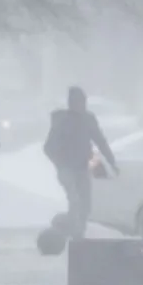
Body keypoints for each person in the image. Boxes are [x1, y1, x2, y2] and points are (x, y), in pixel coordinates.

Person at [43, 85, 118, 237]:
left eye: (83, 102)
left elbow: (100, 141)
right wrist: (59, 163)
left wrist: (111, 162)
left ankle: (73, 227)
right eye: (78, 102)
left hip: (82, 167)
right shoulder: (62, 120)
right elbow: (48, 147)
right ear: (71, 103)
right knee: (75, 200)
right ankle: (76, 234)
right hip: (66, 168)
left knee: (85, 203)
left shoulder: (88, 119)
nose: (81, 105)